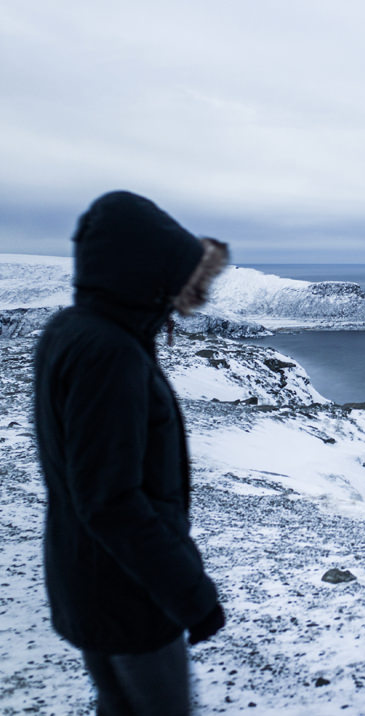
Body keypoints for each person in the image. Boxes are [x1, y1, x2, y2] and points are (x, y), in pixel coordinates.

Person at [33, 191, 230, 715]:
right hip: (130, 593)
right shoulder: (110, 355)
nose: (184, 296)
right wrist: (191, 596)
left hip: (86, 574)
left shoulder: (70, 331)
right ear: (146, 273)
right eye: (178, 278)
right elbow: (111, 499)